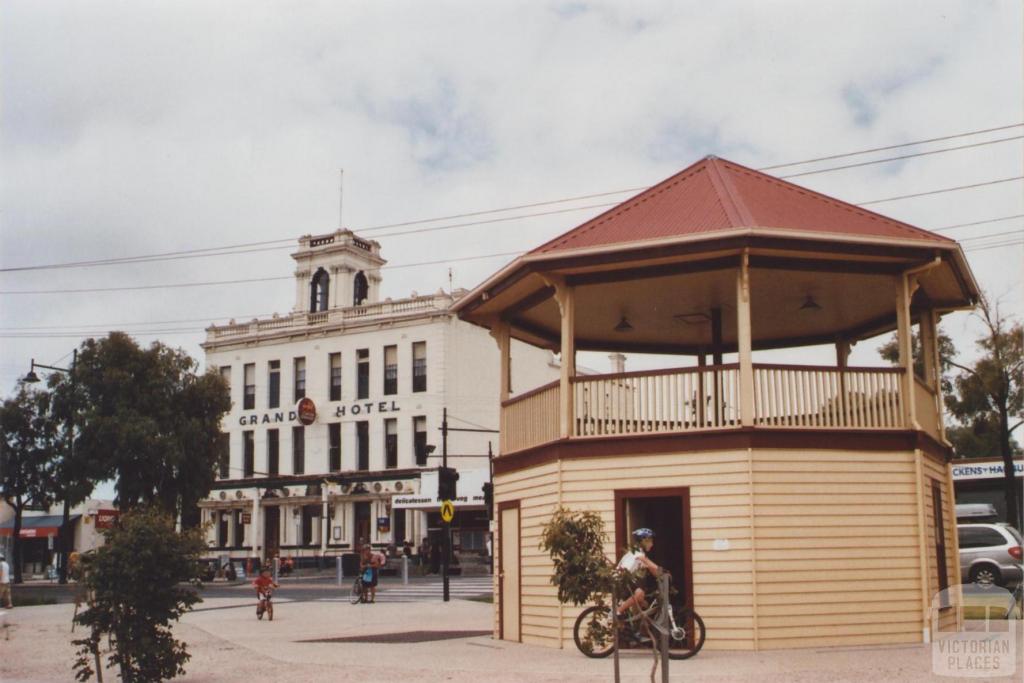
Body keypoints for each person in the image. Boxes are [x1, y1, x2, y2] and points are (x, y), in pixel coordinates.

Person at [615, 528, 661, 617]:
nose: (652, 544)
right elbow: (648, 563)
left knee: (644, 603)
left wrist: (659, 575)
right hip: (620, 580)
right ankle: (618, 611)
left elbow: (651, 569)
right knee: (639, 594)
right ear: (643, 541)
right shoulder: (637, 552)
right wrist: (661, 570)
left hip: (626, 580)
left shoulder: (640, 553)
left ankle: (639, 627)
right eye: (650, 541)